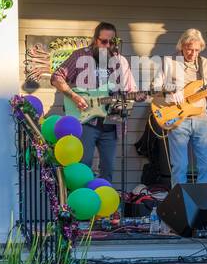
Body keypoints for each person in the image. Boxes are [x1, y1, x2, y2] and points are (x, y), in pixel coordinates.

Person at [49, 22, 142, 181]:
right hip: (86, 121)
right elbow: (56, 77)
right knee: (84, 165)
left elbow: (129, 91)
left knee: (108, 169)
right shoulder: (80, 56)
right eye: (104, 41)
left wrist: (139, 96)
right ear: (95, 40)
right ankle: (81, 203)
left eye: (112, 42)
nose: (108, 45)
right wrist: (74, 96)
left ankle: (106, 203)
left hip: (111, 123)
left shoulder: (121, 62)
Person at [152, 29, 207, 186]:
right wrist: (171, 89)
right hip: (177, 118)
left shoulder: (204, 64)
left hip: (200, 118)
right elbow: (154, 87)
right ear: (182, 46)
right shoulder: (169, 62)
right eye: (190, 49)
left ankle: (202, 203)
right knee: (180, 167)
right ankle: (181, 205)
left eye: (197, 50)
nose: (193, 53)